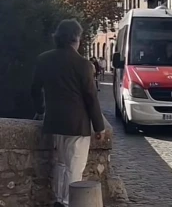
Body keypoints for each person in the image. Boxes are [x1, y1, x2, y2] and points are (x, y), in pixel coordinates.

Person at [31, 19, 105, 207]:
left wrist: (40, 110)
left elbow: (35, 89)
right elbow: (91, 97)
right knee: (74, 167)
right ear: (76, 39)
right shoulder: (83, 64)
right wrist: (99, 127)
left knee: (60, 164)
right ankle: (67, 202)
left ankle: (58, 199)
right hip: (77, 124)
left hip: (54, 121)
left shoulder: (44, 59)